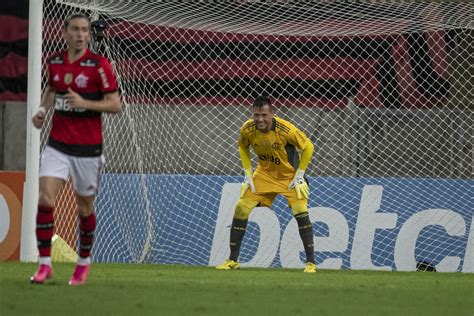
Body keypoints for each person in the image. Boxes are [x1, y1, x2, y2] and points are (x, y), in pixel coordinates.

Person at [30, 13, 121, 285]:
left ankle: (83, 262)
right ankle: (44, 265)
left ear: (88, 35)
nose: (80, 34)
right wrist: (42, 109)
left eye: (84, 30)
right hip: (57, 144)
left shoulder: (99, 65)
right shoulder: (55, 61)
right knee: (45, 199)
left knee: (84, 208)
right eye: (75, 29)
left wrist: (85, 103)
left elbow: (115, 104)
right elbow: (51, 88)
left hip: (88, 149)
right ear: (65, 32)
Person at [216, 96, 316, 273]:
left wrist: (300, 175)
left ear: (271, 114)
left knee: (300, 211)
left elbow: (308, 147)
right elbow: (242, 146)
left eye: (264, 115)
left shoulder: (286, 129)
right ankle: (232, 260)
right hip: (264, 174)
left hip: (288, 177)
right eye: (256, 115)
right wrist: (248, 174)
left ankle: (310, 263)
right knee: (241, 207)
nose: (260, 119)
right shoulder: (247, 128)